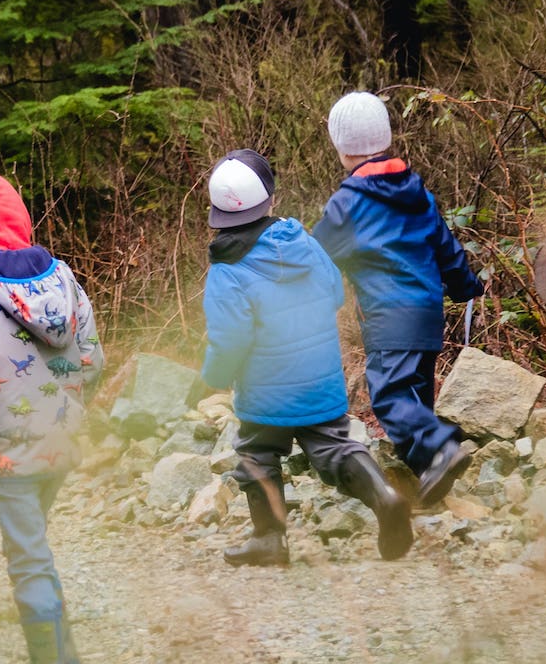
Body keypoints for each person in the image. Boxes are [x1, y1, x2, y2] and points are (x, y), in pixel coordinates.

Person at [199, 150, 412, 568]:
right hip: (321, 377)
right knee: (334, 447)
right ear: (269, 200)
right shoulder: (303, 241)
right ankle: (384, 496)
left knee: (255, 453)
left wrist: (214, 376)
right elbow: (334, 293)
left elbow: (230, 339)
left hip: (265, 391)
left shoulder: (227, 270)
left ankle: (270, 540)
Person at [0, 167, 103, 664]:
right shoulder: (63, 276)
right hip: (61, 441)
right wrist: (70, 410)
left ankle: (54, 654)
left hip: (6, 450)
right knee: (33, 545)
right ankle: (53, 637)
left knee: (28, 557)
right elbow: (92, 356)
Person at [313, 91, 485, 506]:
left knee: (390, 397)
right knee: (415, 399)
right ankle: (428, 479)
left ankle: (442, 449)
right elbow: (445, 245)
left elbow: (315, 256)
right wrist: (465, 286)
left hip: (389, 316)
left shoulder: (349, 203)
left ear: (341, 147)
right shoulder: (415, 191)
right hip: (428, 314)